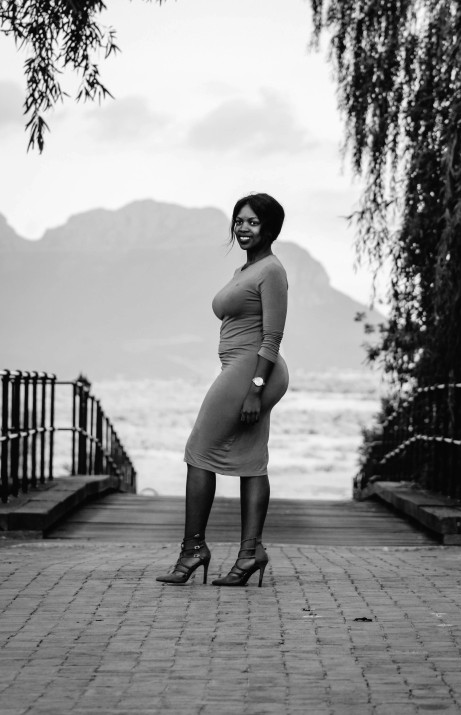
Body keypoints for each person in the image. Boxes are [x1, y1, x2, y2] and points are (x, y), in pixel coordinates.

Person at [156, 193, 289, 587]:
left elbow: (273, 336)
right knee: (251, 459)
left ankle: (193, 549)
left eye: (252, 222)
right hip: (241, 369)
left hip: (253, 370)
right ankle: (250, 555)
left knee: (198, 452)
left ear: (270, 229)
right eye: (239, 221)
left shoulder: (272, 271)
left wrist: (255, 389)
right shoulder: (245, 271)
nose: (243, 228)